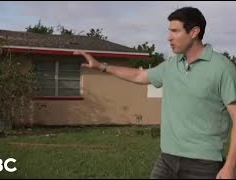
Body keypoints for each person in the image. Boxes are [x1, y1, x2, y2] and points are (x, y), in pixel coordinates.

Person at [74, 7, 236, 179]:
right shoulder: (171, 65)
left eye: (175, 31)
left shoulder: (222, 68)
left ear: (194, 32)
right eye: (169, 31)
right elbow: (139, 75)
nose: (169, 37)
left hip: (204, 164)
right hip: (167, 159)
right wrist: (101, 67)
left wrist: (230, 167)